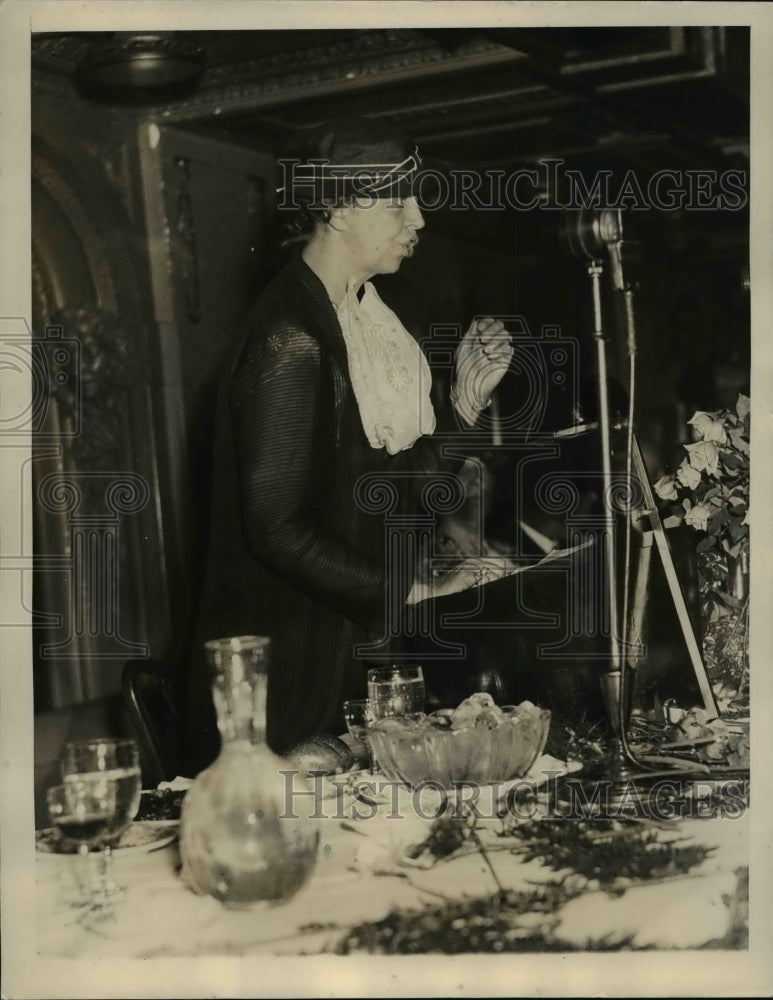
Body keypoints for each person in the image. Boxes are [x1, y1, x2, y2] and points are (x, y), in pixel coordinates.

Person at [182, 116, 520, 776]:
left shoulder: (353, 321)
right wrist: (412, 591)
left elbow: (382, 489)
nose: (417, 219)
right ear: (335, 207)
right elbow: (278, 530)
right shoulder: (292, 337)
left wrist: (463, 407)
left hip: (336, 647)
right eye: (397, 202)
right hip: (286, 678)